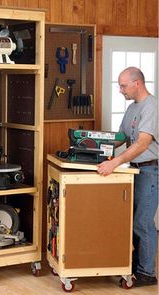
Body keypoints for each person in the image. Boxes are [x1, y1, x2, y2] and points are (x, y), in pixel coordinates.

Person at [97, 67, 158, 287]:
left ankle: (147, 273)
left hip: (150, 171)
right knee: (130, 221)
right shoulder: (132, 108)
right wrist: (94, 149)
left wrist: (114, 162)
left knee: (142, 223)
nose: (120, 90)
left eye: (123, 85)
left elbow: (142, 143)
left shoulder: (152, 107)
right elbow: (121, 138)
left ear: (137, 84)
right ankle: (134, 263)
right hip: (134, 169)